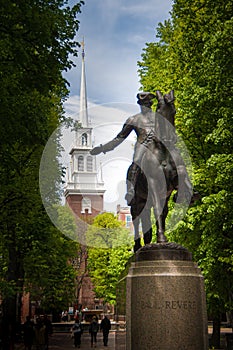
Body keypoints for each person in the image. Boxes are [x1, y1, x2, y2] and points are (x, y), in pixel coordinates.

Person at [90, 91, 193, 206]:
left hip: (159, 144)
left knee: (177, 158)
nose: (146, 106)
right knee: (137, 161)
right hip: (143, 145)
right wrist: (102, 148)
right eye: (144, 104)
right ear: (140, 104)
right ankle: (131, 191)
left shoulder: (158, 116)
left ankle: (187, 190)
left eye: (148, 104)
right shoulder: (133, 119)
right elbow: (119, 138)